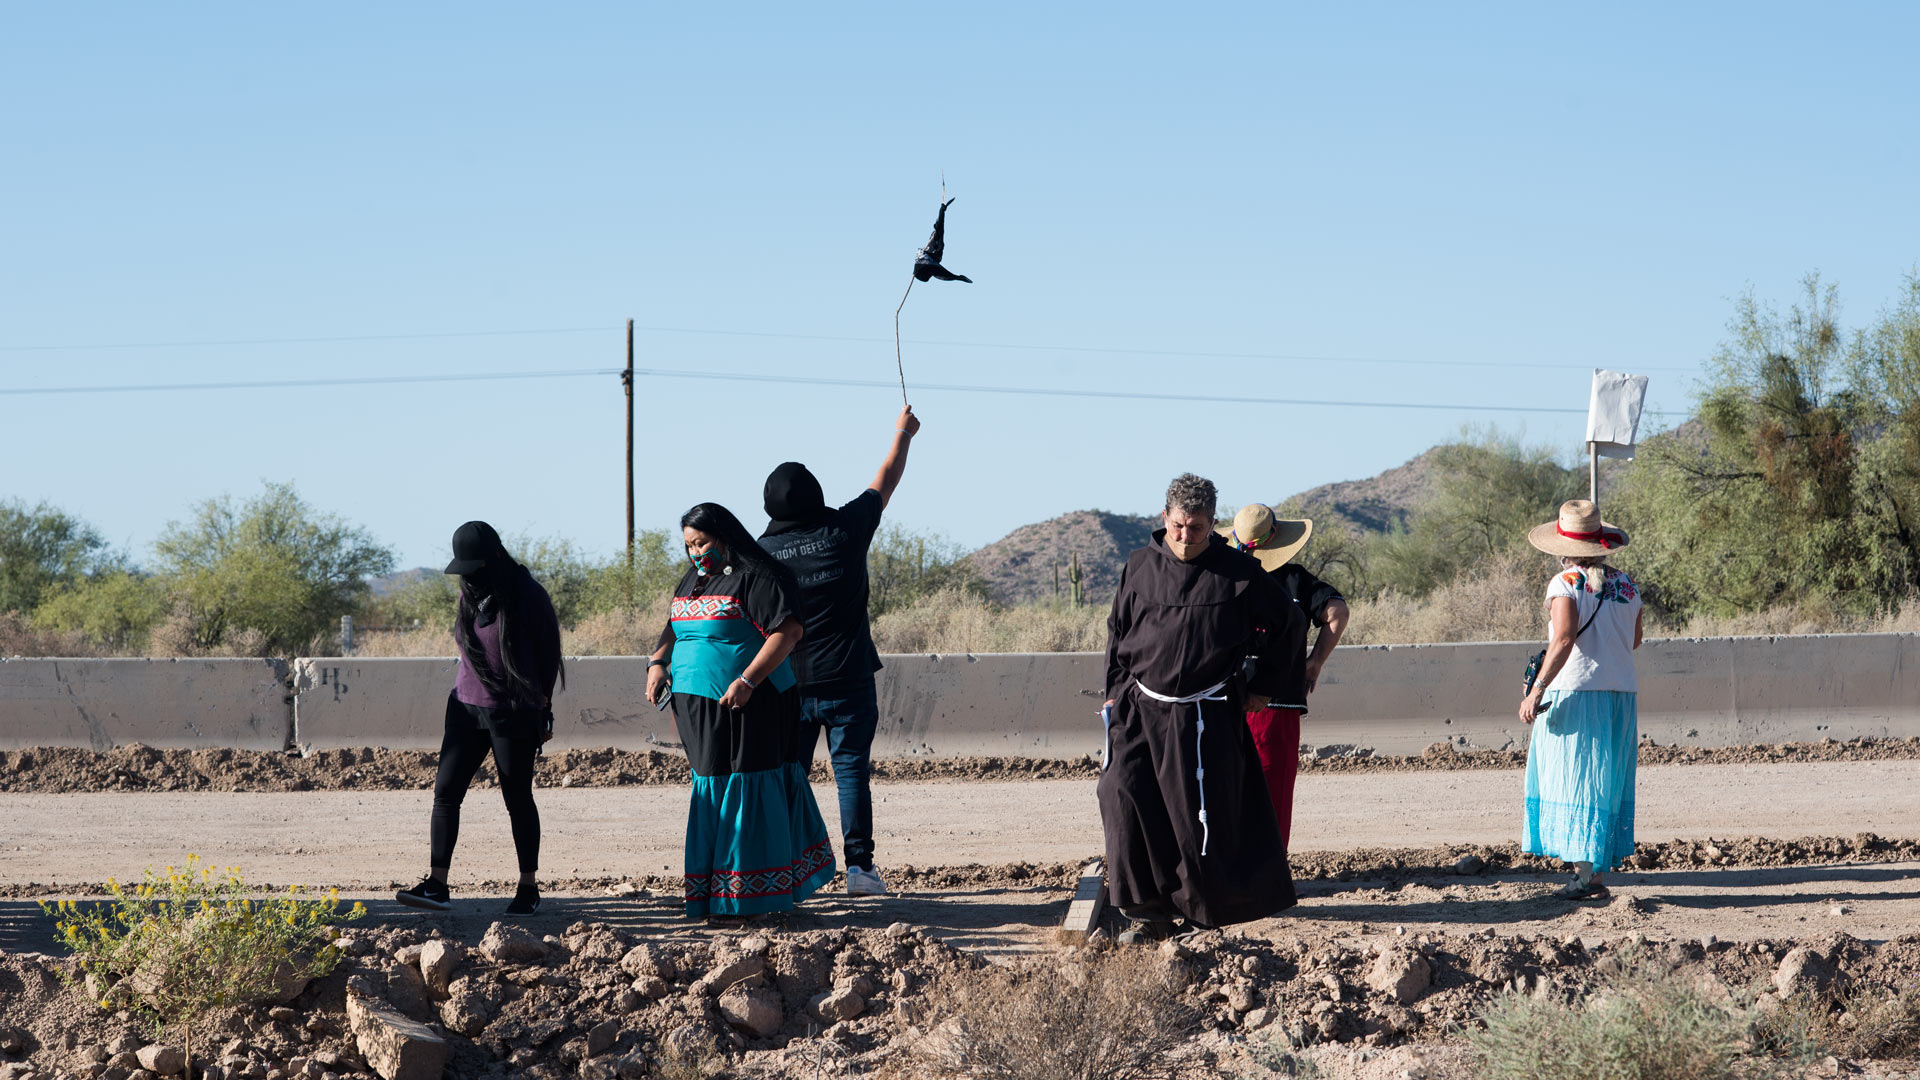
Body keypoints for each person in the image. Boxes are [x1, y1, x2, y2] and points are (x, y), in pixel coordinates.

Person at [1100, 474, 1308, 942]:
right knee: (1122, 795)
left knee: (1196, 819)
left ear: (1212, 524)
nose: (1185, 537)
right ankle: (1148, 910)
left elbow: (1290, 624)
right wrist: (1114, 695)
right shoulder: (1138, 566)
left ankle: (1200, 914)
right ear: (1164, 517)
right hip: (1140, 710)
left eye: (1196, 528)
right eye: (1178, 526)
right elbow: (1118, 635)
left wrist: (1263, 687)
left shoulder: (1237, 572)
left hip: (1204, 716)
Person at [759, 405, 921, 897]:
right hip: (848, 679)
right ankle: (860, 870)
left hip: (787, 685)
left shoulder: (760, 554)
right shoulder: (845, 531)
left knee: (790, 778)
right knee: (851, 773)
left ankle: (789, 869)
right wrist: (903, 432)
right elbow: (885, 479)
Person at [648, 503, 836, 923]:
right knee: (711, 787)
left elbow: (788, 632)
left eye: (702, 542)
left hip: (752, 703)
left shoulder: (759, 578)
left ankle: (750, 897)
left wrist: (748, 680)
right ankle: (715, 893)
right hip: (699, 710)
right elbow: (673, 625)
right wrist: (658, 663)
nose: (696, 552)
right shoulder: (694, 580)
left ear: (725, 536)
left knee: (746, 787)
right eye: (689, 545)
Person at [397, 521, 562, 917]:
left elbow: (549, 655)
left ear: (494, 559)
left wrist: (543, 708)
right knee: (446, 792)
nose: (468, 577)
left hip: (513, 711)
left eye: (474, 568)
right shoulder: (470, 593)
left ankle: (528, 887)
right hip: (466, 707)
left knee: (517, 797)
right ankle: (437, 884)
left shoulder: (529, 596)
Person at [1517, 499, 1644, 901]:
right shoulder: (1628, 586)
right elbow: (1635, 640)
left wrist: (1537, 688)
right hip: (1620, 694)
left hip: (1577, 693)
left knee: (1576, 780)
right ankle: (1593, 873)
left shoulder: (1564, 585)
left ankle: (1582, 878)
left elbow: (1564, 638)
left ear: (1563, 547)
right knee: (1605, 780)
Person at [1218, 504, 1351, 847]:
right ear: (1276, 539)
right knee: (1273, 787)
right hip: (1279, 701)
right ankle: (1269, 869)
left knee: (1225, 786)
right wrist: (1315, 660)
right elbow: (1337, 612)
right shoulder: (1295, 579)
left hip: (1223, 697)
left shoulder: (1222, 575)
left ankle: (1227, 868)